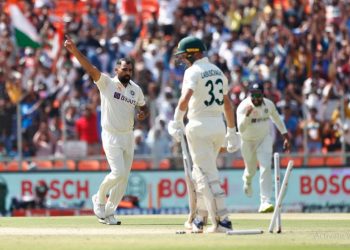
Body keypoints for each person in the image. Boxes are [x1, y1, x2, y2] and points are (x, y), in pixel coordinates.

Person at [64, 36, 149, 225]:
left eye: (129, 69)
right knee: (117, 173)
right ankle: (99, 199)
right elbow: (90, 68)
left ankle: (109, 212)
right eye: (124, 69)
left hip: (128, 136)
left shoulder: (136, 89)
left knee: (124, 179)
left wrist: (143, 113)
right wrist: (75, 51)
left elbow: (143, 107)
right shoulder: (107, 84)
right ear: (116, 70)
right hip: (111, 135)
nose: (127, 72)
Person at [168, 36, 240, 233]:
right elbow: (227, 104)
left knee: (207, 174)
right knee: (200, 173)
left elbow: (185, 99)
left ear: (194, 53)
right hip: (218, 126)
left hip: (199, 126)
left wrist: (176, 120)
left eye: (184, 56)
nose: (183, 60)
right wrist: (232, 131)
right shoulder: (217, 71)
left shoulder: (193, 71)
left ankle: (224, 219)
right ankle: (200, 218)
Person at [236, 83, 290, 213]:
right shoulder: (243, 107)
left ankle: (265, 201)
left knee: (265, 167)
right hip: (247, 141)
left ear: (262, 94)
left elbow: (277, 119)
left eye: (258, 95)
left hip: (264, 139)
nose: (256, 98)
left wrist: (285, 136)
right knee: (251, 170)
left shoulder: (268, 104)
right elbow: (241, 129)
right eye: (253, 95)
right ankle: (247, 180)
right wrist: (247, 116)